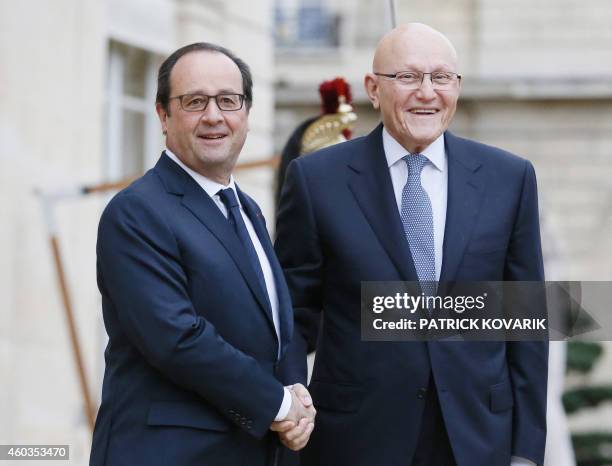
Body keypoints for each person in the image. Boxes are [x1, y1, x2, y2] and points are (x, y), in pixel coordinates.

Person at [275, 23, 548, 466]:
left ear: (457, 88)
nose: (427, 92)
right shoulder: (316, 181)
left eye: (441, 78)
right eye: (407, 77)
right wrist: (289, 407)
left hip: (478, 438)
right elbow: (291, 313)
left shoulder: (509, 178)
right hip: (357, 439)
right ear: (373, 88)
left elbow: (525, 320)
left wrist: (526, 451)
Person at [89, 42, 314, 466]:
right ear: (162, 115)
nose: (214, 116)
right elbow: (176, 338)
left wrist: (295, 393)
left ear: (246, 113)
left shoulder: (246, 209)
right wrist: (280, 405)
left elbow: (273, 330)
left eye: (228, 101)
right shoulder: (137, 211)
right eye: (195, 102)